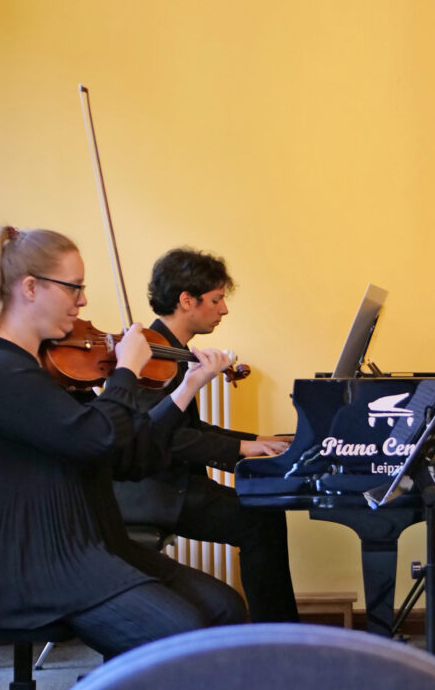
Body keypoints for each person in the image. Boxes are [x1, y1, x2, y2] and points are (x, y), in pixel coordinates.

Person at [0, 226, 248, 660]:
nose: (83, 300)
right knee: (184, 640)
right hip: (27, 563)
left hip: (90, 545)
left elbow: (128, 458)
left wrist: (188, 385)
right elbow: (96, 438)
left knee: (225, 609)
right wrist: (125, 373)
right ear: (31, 288)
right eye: (73, 287)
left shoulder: (42, 368)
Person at [112, 247, 299, 623]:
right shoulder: (148, 355)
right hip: (152, 491)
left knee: (264, 515)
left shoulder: (171, 350)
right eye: (216, 300)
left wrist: (256, 439)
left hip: (173, 482)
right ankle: (276, 639)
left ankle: (277, 635)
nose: (224, 309)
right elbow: (166, 437)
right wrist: (244, 447)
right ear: (186, 301)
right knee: (260, 522)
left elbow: (186, 429)